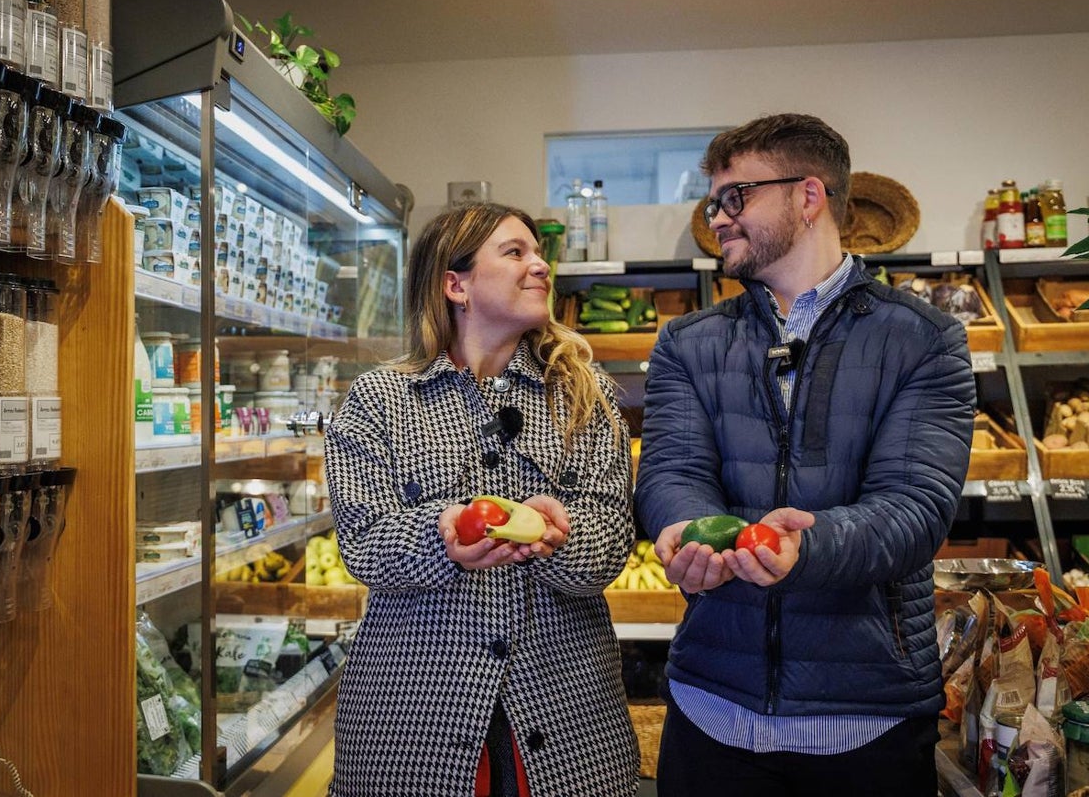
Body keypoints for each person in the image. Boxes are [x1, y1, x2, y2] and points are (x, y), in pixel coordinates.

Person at [635, 113, 975, 796]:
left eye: (737, 198)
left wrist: (807, 548)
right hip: (712, 712)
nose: (720, 218)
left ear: (808, 196)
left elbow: (915, 507)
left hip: (863, 722)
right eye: (713, 202)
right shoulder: (688, 342)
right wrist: (683, 530)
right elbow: (673, 472)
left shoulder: (924, 341)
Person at [324, 202, 640, 796]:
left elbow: (610, 547)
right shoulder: (381, 400)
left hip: (566, 715)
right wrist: (442, 535)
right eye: (516, 252)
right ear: (457, 284)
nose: (540, 266)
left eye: (540, 254)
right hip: (411, 720)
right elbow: (362, 543)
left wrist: (560, 535)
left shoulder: (582, 395)